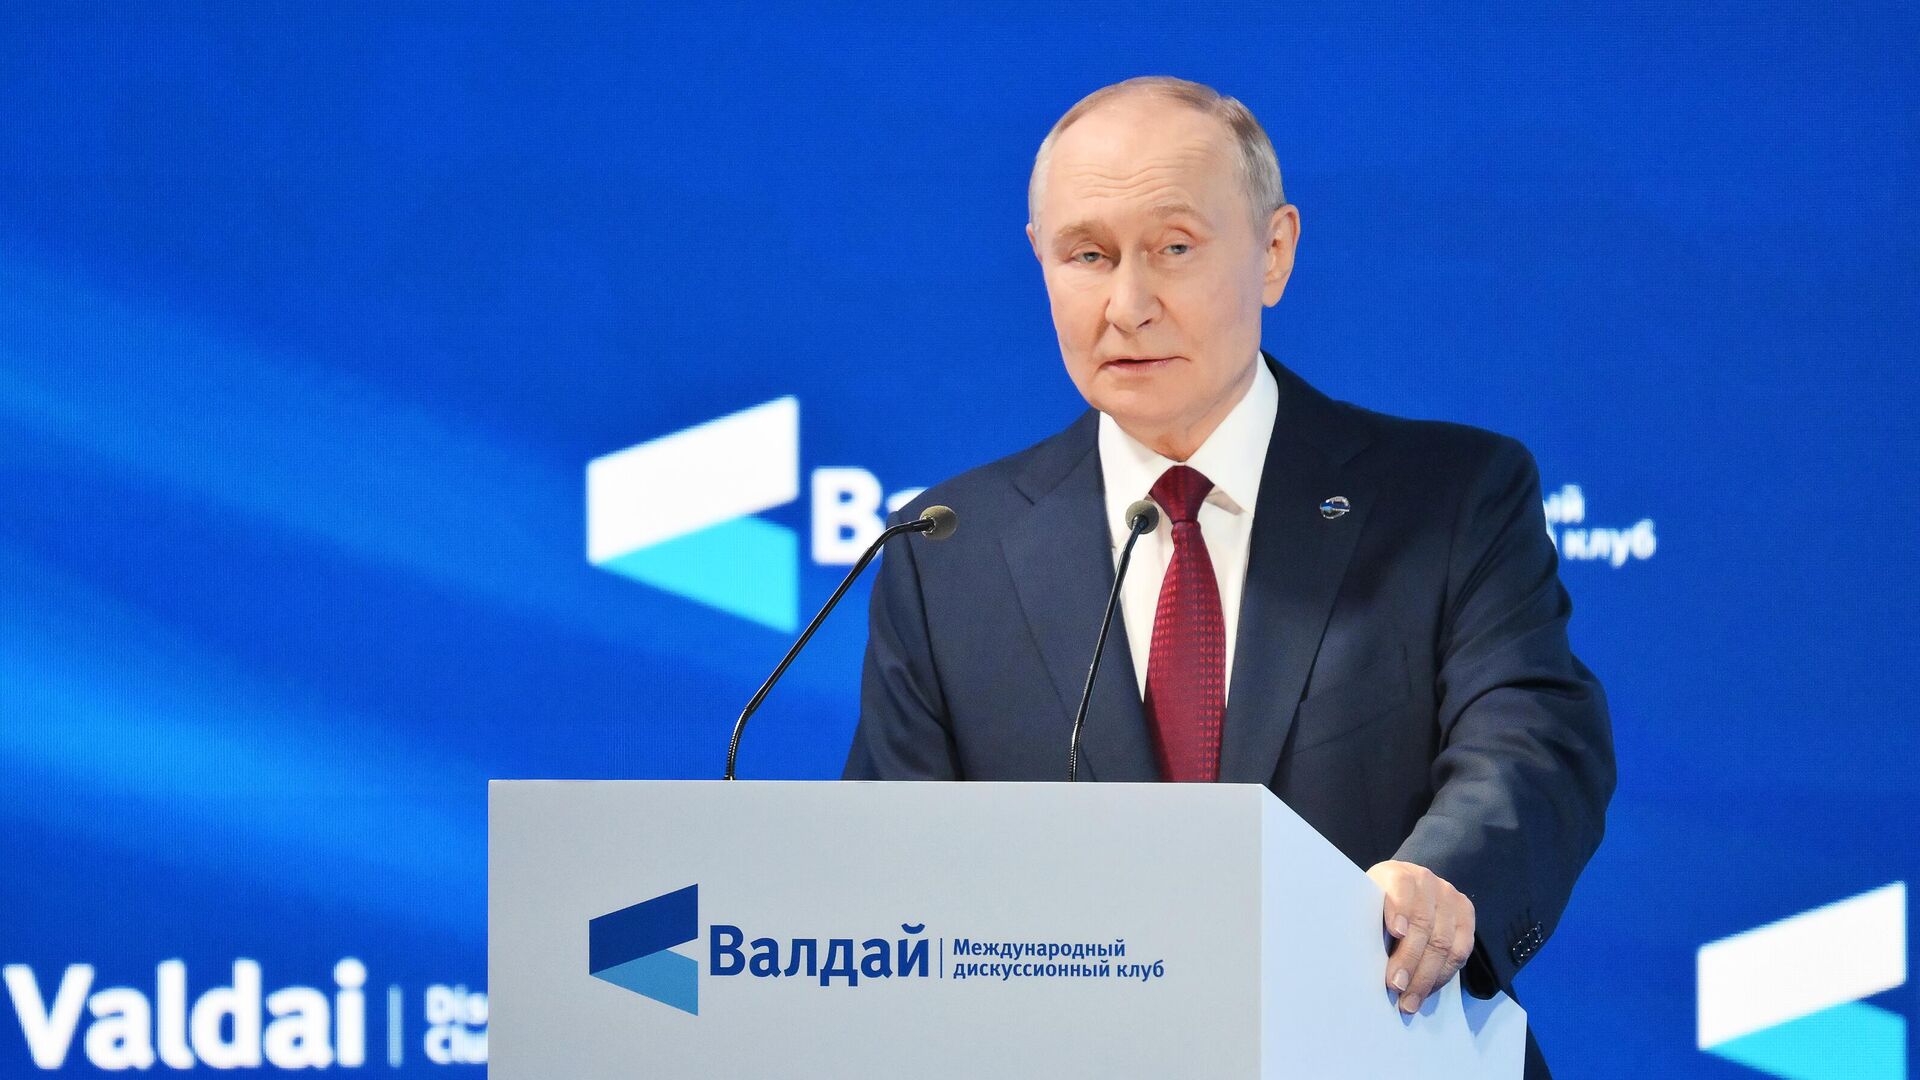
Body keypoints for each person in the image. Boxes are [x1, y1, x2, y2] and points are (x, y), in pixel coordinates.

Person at [843, 75, 1614, 1079]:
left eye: (1174, 248)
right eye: (1087, 255)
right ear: (1040, 261)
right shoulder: (947, 545)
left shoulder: (1451, 496)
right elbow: (890, 870)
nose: (1128, 306)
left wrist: (1440, 882)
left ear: (1274, 252)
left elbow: (1532, 744)